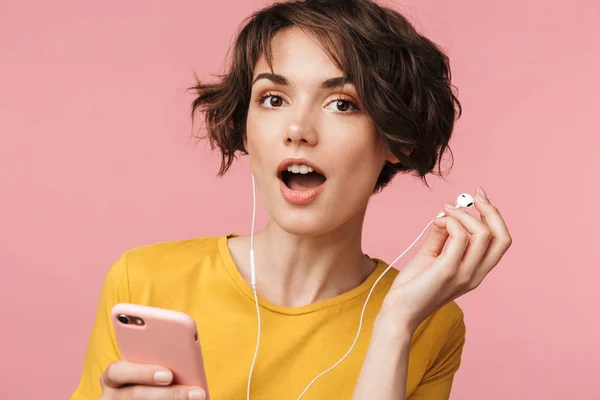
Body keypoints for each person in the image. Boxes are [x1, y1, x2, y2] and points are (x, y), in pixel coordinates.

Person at [71, 0, 512, 399]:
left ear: (395, 139)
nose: (297, 128)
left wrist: (395, 324)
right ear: (245, 127)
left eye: (342, 104)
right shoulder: (143, 282)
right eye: (273, 98)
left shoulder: (430, 323)